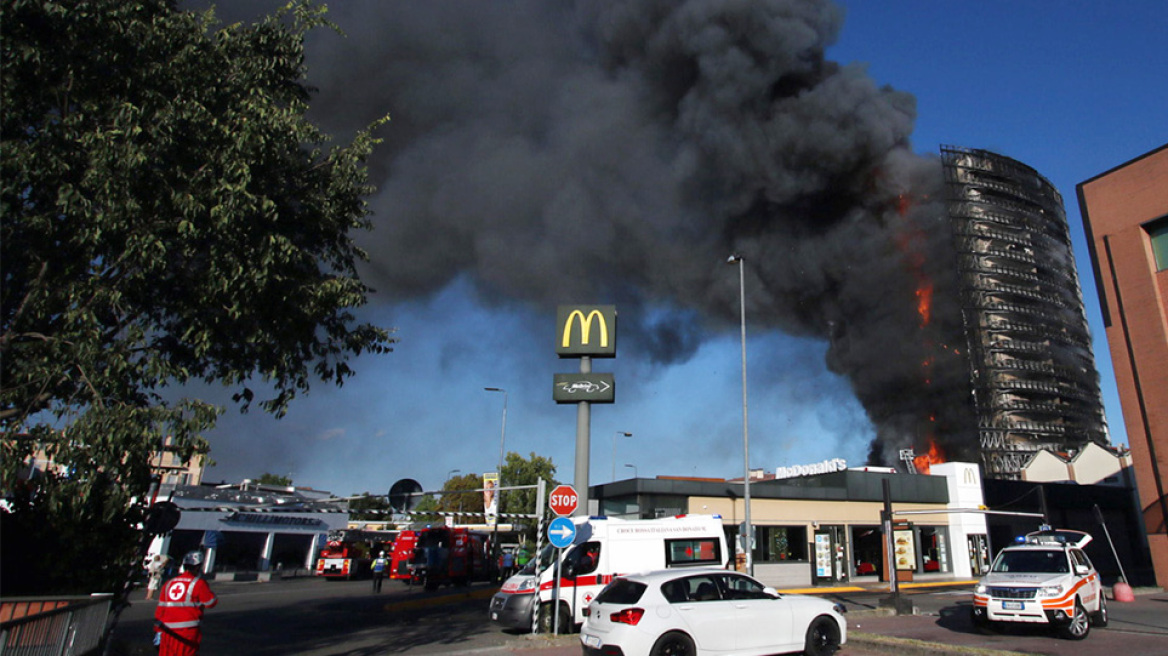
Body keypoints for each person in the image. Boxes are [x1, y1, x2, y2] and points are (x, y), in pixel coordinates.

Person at [154, 551, 218, 656]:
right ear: (198, 567)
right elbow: (210, 602)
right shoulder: (198, 583)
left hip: (167, 630)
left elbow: (161, 608)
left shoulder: (169, 583)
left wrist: (158, 630)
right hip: (187, 632)